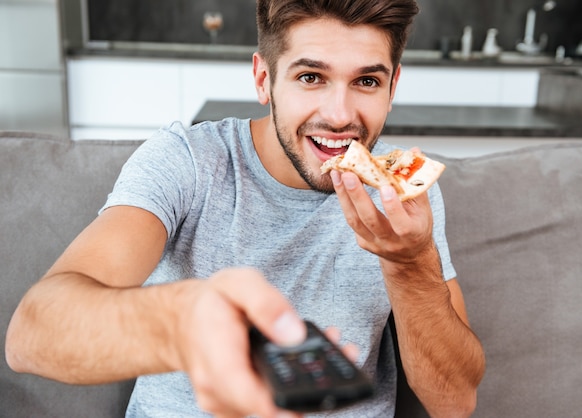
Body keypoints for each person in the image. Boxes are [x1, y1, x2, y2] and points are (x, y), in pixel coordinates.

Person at [5, 0, 485, 416]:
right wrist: (185, 322)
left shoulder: (403, 196)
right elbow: (32, 334)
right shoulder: (188, 162)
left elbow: (454, 403)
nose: (340, 115)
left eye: (366, 81)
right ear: (264, 78)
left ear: (392, 87)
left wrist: (409, 263)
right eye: (311, 77)